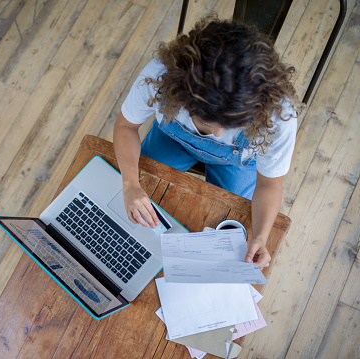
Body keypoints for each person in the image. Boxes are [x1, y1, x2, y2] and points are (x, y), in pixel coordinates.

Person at [113, 14, 298, 270]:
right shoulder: (161, 76)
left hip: (237, 162)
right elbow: (125, 126)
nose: (218, 135)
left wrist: (261, 236)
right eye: (208, 122)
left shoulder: (279, 116)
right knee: (136, 205)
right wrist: (130, 184)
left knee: (228, 228)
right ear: (182, 93)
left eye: (233, 125)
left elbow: (269, 184)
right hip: (172, 140)